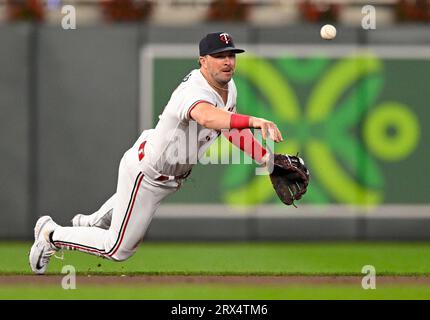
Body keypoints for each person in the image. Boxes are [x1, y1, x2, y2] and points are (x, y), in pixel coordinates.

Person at [29, 32, 283, 274]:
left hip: (165, 172)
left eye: (231, 55)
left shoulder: (229, 87)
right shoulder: (194, 89)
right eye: (219, 56)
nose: (227, 61)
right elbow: (207, 116)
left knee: (100, 224)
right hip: (147, 173)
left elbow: (228, 128)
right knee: (117, 248)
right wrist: (252, 120)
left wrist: (265, 158)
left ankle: (87, 225)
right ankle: (51, 234)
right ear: (203, 61)